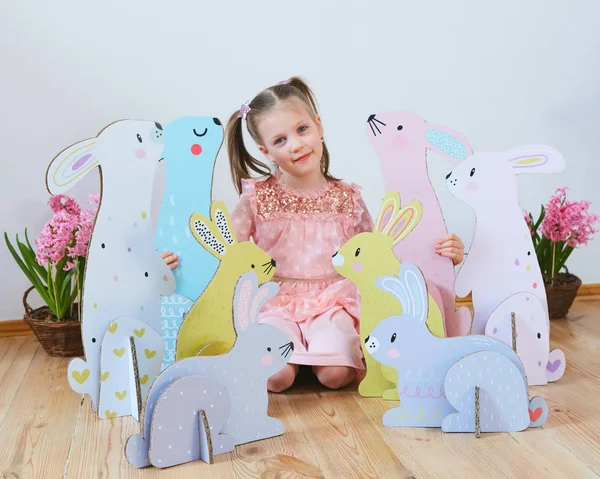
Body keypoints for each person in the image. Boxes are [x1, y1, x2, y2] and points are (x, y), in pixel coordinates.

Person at [163, 77, 464, 393]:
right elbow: (228, 254)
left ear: (318, 126)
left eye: (301, 129)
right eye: (280, 140)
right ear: (265, 150)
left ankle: (319, 358)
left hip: (332, 303)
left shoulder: (347, 198)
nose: (295, 144)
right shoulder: (258, 198)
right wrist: (169, 266)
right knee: (276, 377)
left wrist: (445, 257)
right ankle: (295, 360)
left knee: (334, 375)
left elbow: (376, 257)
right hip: (275, 303)